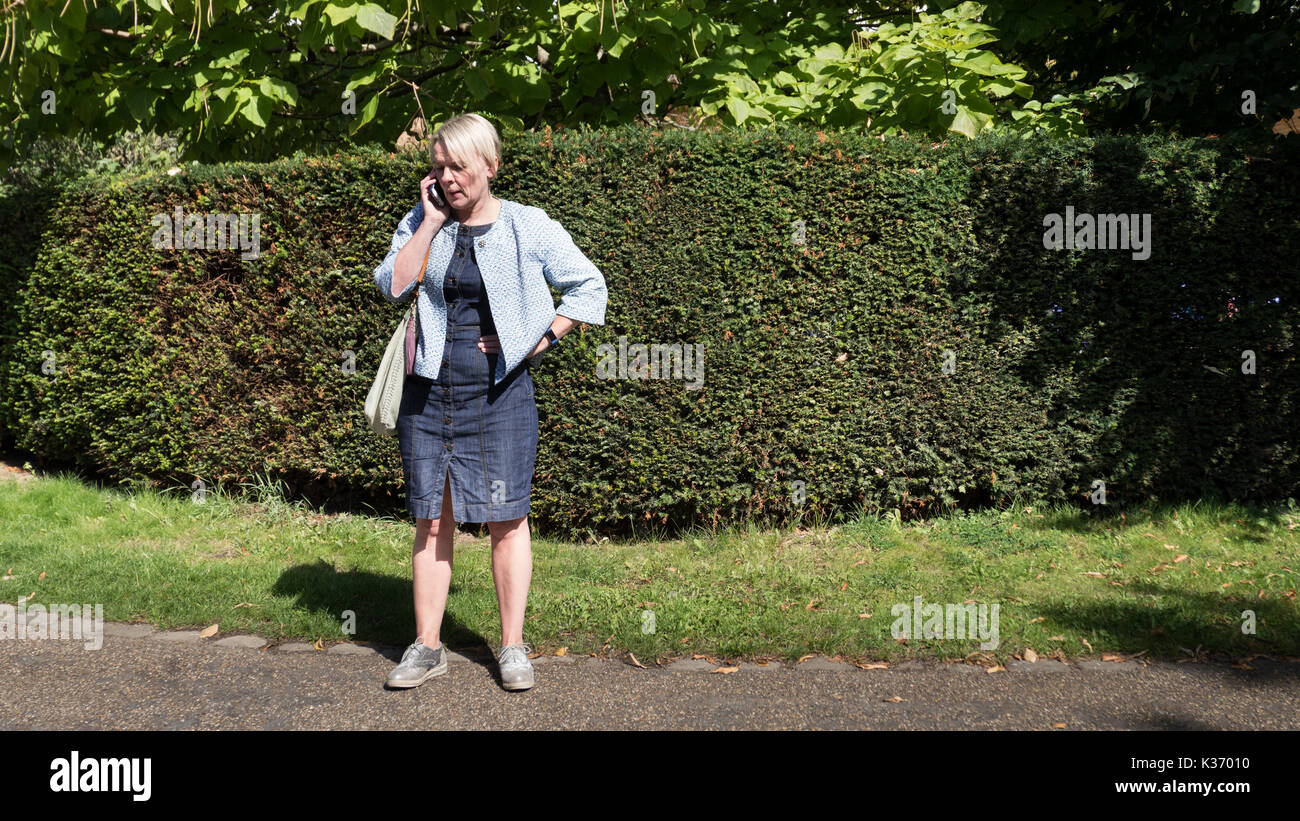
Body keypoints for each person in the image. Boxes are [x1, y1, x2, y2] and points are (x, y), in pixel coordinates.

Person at [372, 113, 608, 691]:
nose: (447, 177)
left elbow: (589, 286)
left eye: (458, 166)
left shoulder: (528, 226)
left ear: (489, 167)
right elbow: (392, 285)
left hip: (500, 391)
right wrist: (427, 224)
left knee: (507, 518)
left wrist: (536, 340)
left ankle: (511, 646)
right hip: (429, 390)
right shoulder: (421, 220)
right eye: (438, 167)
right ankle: (427, 647)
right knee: (431, 518)